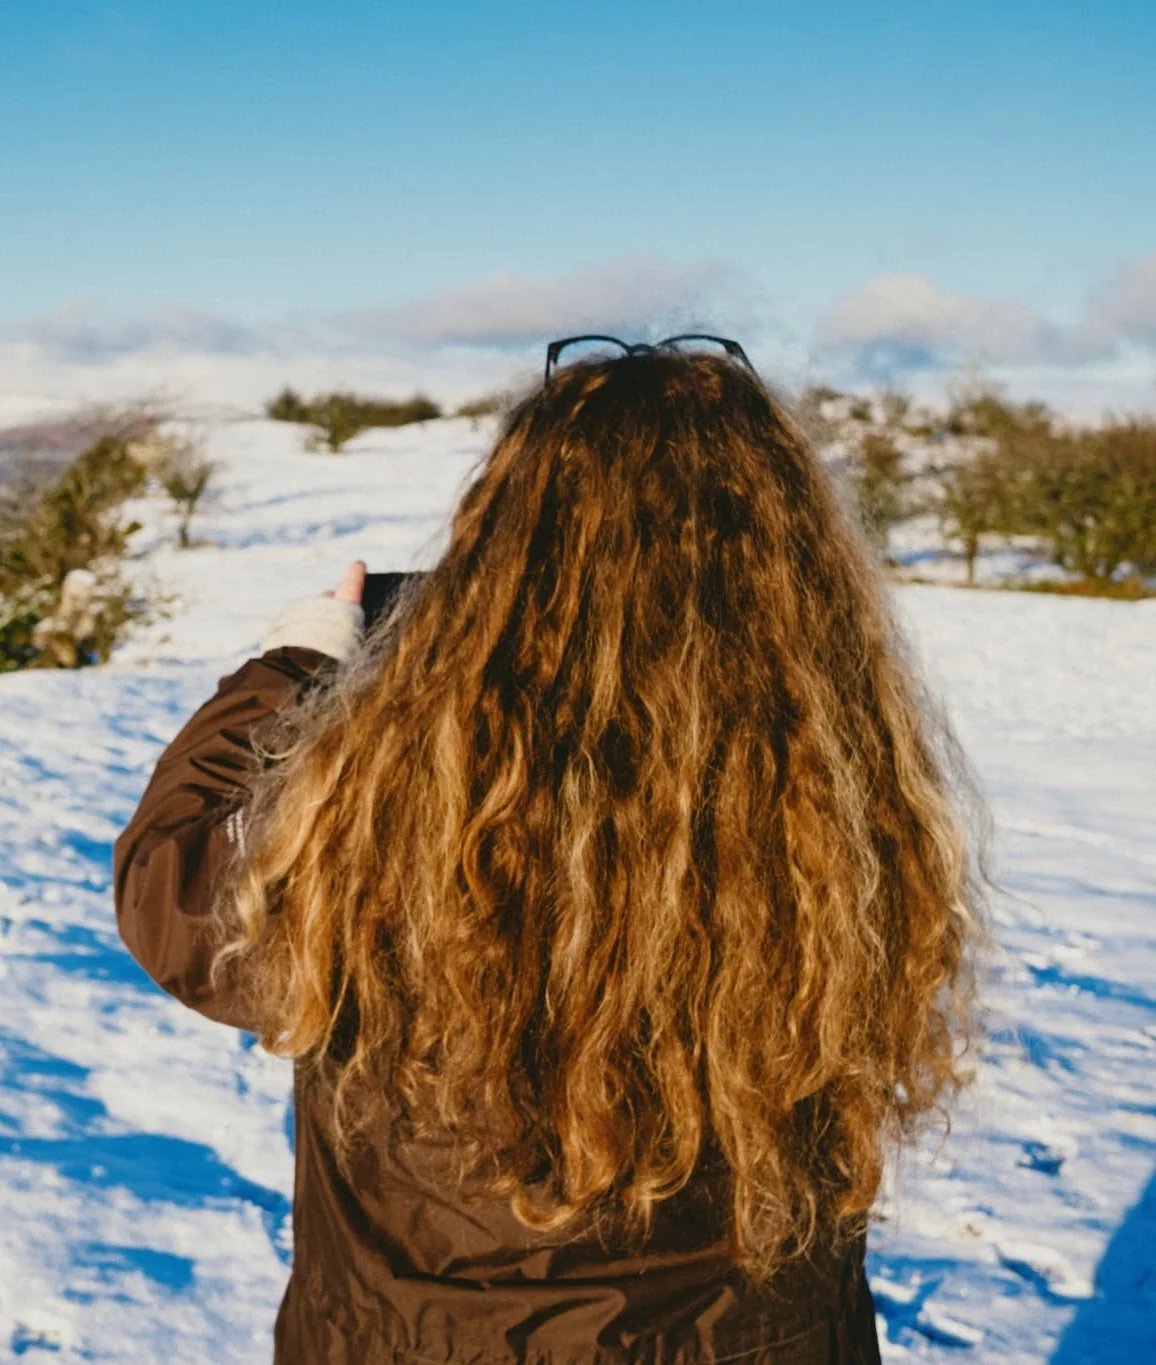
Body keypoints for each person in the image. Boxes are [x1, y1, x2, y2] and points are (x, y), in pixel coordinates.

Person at [113, 340, 982, 1363]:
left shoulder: (389, 799)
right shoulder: (836, 802)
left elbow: (175, 896)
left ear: (504, 551)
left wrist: (295, 662)